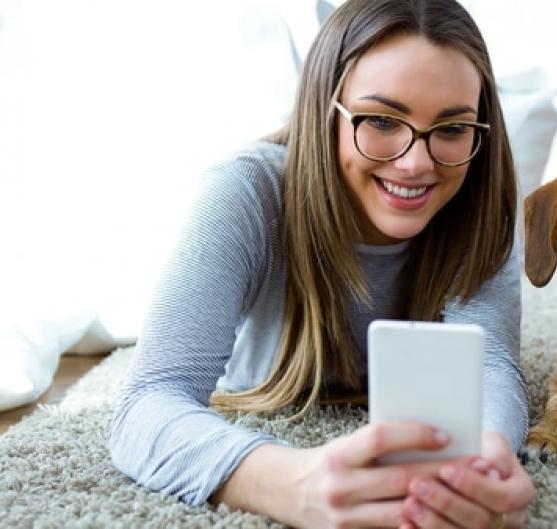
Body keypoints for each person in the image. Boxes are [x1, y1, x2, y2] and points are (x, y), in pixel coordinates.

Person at [108, 0, 535, 528]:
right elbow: (147, 402)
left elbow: (491, 365)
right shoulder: (245, 191)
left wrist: (485, 461)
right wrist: (291, 484)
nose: (416, 162)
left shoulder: (480, 199)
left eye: (451, 130)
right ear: (323, 110)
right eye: (381, 120)